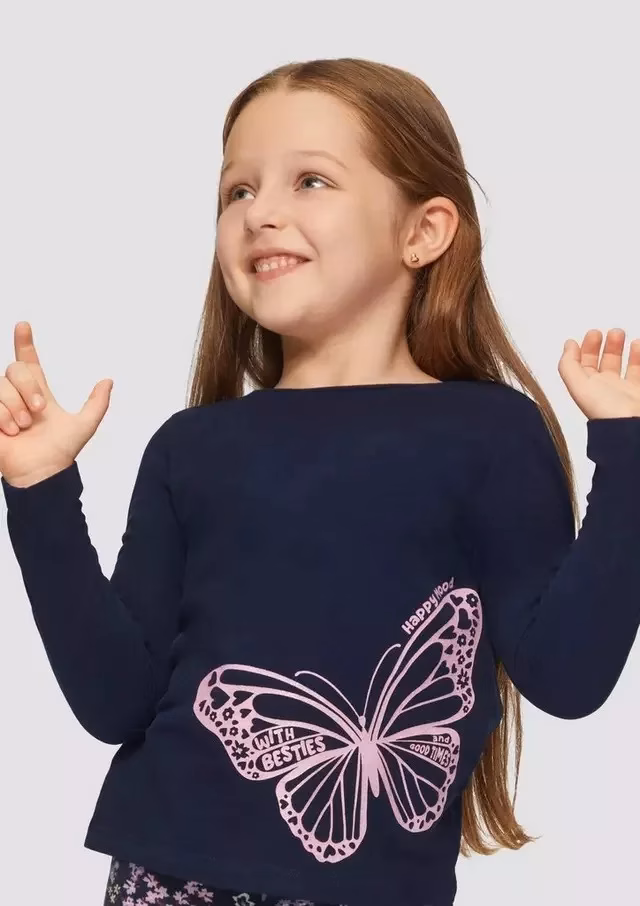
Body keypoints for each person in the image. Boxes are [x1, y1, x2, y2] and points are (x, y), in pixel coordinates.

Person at [1, 57, 640, 906]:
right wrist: (41, 491)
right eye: (237, 191)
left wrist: (629, 458)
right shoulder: (191, 448)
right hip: (165, 875)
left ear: (424, 231)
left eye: (310, 181)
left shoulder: (489, 434)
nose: (261, 213)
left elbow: (568, 675)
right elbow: (116, 701)